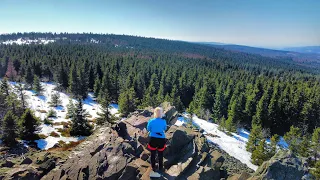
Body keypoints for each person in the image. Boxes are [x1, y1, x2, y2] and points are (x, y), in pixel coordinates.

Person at [147, 107, 167, 177]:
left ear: (154, 113)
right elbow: (165, 128)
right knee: (160, 154)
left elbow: (148, 129)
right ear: (161, 114)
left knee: (153, 154)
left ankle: (153, 167)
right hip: (161, 139)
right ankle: (160, 167)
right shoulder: (163, 121)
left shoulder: (151, 121)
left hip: (153, 138)